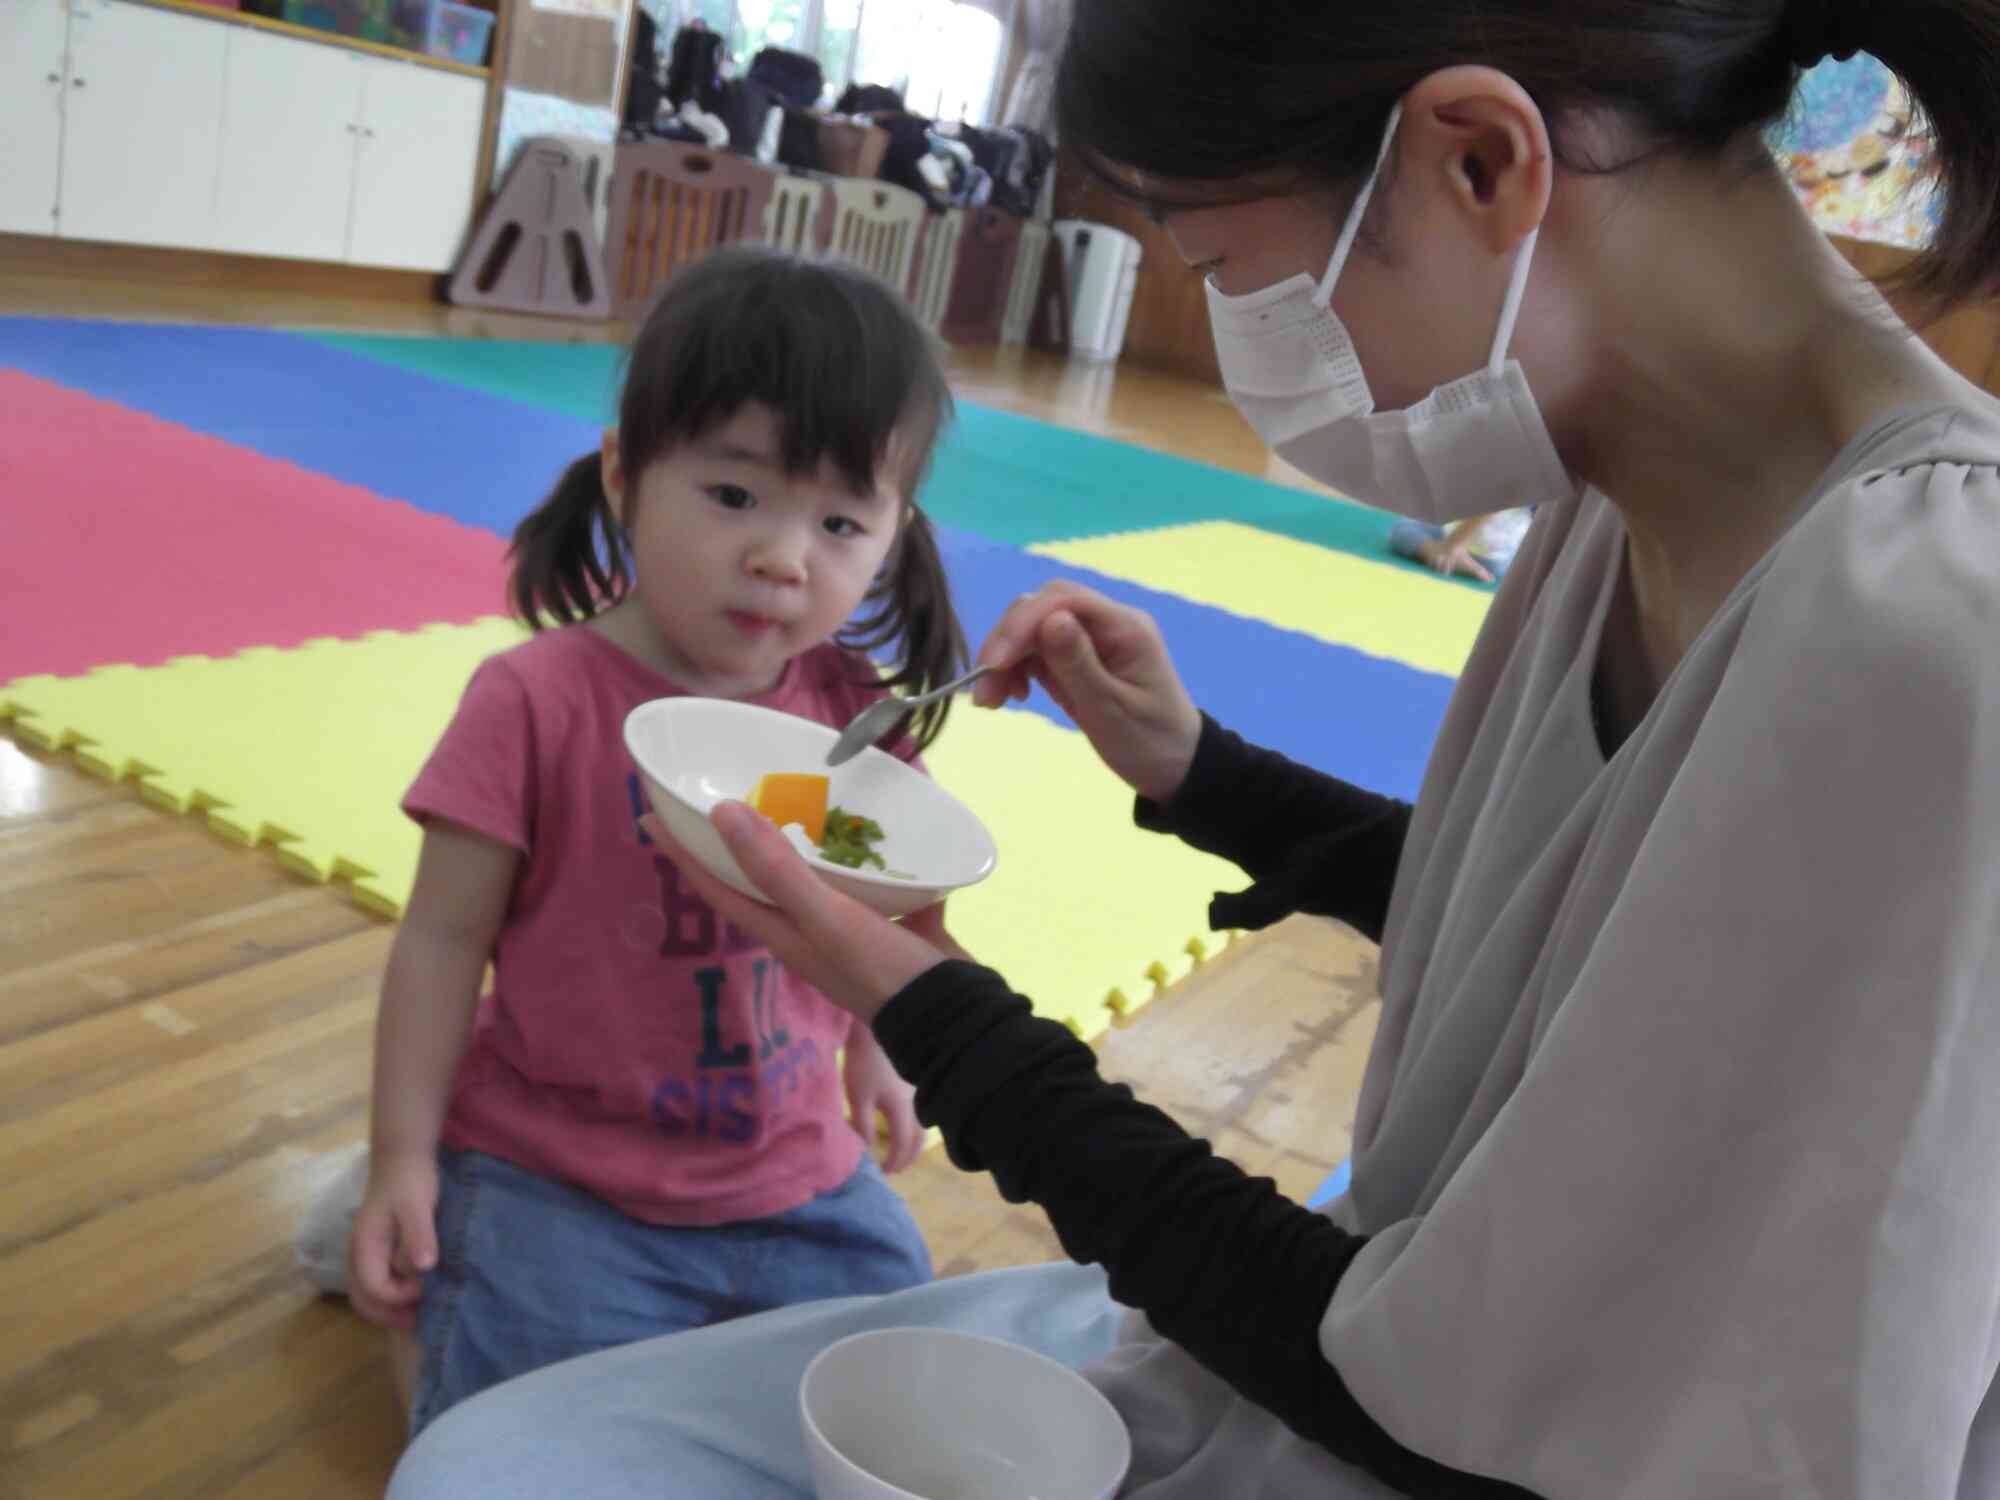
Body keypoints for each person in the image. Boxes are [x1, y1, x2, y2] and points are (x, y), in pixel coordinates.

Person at [387, 2, 2000, 1495]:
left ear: (1478, 160)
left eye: (1224, 266)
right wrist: (1199, 773)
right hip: (1383, 1339)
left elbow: (1448, 1401)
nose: (1240, 343)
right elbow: (1567, 938)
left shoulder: (1930, 650)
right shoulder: (1620, 486)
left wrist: (923, 1013)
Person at [311, 245, 969, 1441]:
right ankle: (400, 1239)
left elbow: (880, 911)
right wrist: (398, 1156)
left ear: (892, 534)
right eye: (733, 496)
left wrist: (878, 1046)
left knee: (908, 1411)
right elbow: (443, 940)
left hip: (799, 1178)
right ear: (624, 474)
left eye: (837, 520)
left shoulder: (846, 712)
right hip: (560, 1183)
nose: (783, 556)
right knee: (499, 1445)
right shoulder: (534, 701)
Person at [1387, 507, 1534, 583]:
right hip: (1500, 559)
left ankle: (1440, 555)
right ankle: (1461, 560)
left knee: (1403, 528)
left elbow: (1497, 500)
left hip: (1470, 542)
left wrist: (1454, 544)